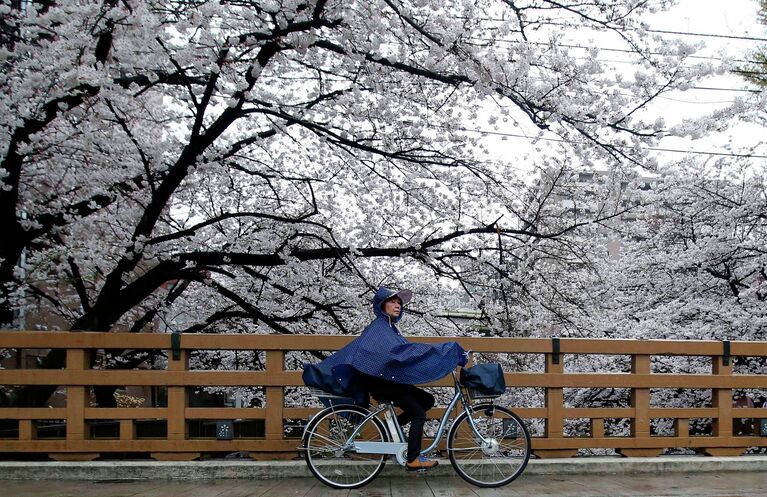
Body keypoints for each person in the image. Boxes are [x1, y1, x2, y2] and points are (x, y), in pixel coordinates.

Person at [303, 287, 467, 471]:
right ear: (382, 305)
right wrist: (443, 350)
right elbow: (400, 354)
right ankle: (413, 459)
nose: (397, 305)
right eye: (392, 302)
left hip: (388, 381)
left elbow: (405, 352)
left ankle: (392, 429)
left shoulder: (389, 327)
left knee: (428, 400)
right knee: (418, 413)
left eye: (399, 303)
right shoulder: (380, 328)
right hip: (383, 383)